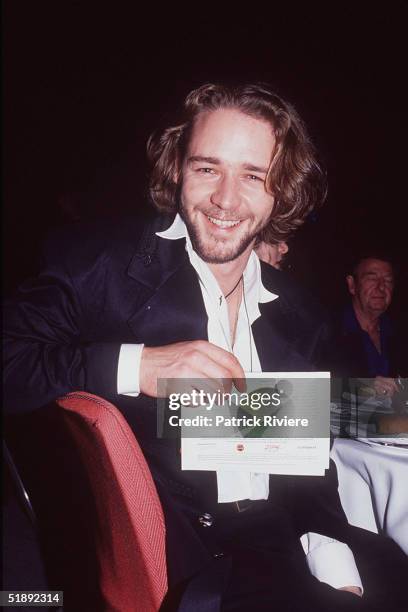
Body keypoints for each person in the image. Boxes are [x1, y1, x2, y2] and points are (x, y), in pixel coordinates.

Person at [4, 83, 408, 611]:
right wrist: (137, 367)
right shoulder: (102, 265)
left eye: (254, 176)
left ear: (282, 192)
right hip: (188, 560)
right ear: (177, 168)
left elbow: (302, 444)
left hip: (284, 534)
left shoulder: (299, 312)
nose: (225, 198)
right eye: (207, 168)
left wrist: (331, 553)